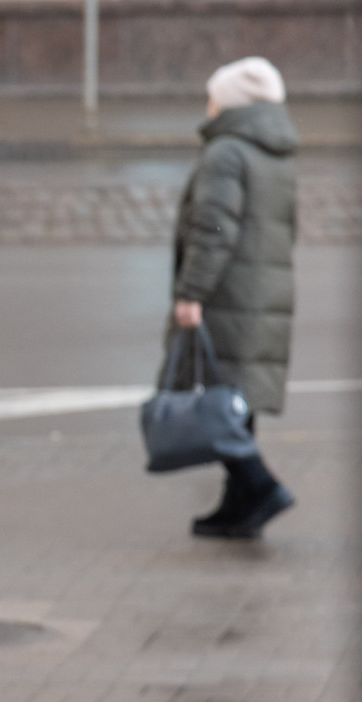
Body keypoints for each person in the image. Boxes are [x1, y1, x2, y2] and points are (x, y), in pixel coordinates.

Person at [165, 56, 298, 539]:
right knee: (238, 398)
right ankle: (239, 502)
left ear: (232, 103)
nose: (209, 104)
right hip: (262, 289)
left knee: (217, 398)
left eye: (214, 96)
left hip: (228, 291)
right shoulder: (274, 152)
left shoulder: (225, 152)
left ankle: (258, 486)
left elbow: (214, 228)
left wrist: (192, 291)